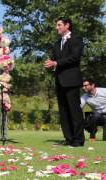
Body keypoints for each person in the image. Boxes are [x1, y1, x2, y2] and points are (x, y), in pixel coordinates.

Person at [44, 17, 85, 147]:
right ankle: (68, 139)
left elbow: (74, 57)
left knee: (74, 111)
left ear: (67, 25)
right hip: (60, 81)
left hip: (72, 80)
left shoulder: (76, 39)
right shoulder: (56, 43)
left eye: (59, 25)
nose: (57, 27)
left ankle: (78, 140)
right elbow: (55, 59)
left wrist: (56, 62)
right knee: (63, 112)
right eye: (57, 25)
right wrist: (51, 63)